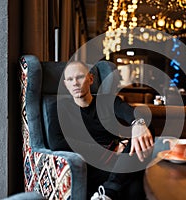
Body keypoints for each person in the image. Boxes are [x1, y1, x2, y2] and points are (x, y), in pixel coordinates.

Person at [55, 60, 155, 200]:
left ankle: (108, 192)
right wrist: (110, 149)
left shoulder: (108, 101)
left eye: (79, 77)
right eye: (70, 79)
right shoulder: (60, 108)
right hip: (92, 165)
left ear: (90, 79)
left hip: (119, 163)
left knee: (146, 126)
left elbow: (130, 112)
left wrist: (138, 123)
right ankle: (110, 190)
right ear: (66, 84)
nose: (75, 83)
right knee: (134, 188)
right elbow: (58, 143)